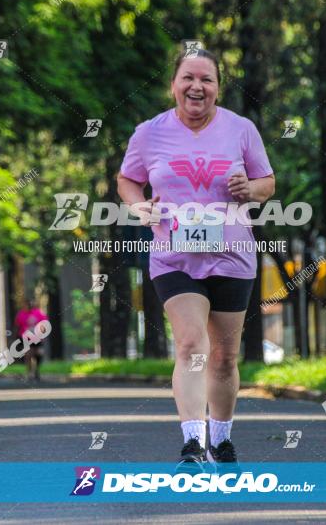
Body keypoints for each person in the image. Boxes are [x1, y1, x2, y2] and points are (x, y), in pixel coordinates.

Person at [117, 48, 275, 474]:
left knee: (223, 357)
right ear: (173, 85)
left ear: (217, 87)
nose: (196, 87)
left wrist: (250, 188)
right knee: (190, 344)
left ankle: (221, 441)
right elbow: (128, 179)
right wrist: (137, 206)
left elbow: (268, 182)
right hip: (175, 256)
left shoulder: (241, 129)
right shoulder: (149, 133)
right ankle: (192, 441)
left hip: (232, 254)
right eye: (188, 78)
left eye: (206, 79)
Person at [14, 299, 49, 382]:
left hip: (37, 337)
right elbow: (17, 326)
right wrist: (16, 337)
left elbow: (44, 325)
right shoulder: (21, 314)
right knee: (28, 354)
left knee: (39, 353)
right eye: (27, 305)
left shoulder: (39, 313)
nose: (28, 307)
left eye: (30, 305)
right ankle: (29, 373)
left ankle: (36, 371)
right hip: (26, 337)